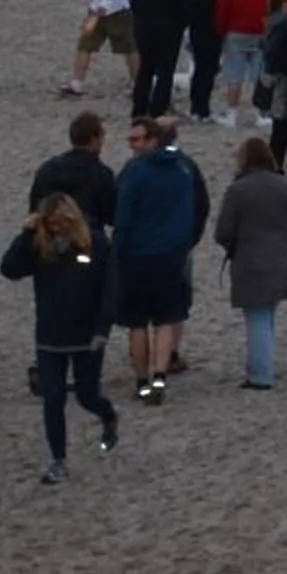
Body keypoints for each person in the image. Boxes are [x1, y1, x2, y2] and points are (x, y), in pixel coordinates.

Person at [1, 193, 119, 483]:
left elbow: (111, 288)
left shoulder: (96, 243)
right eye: (51, 224)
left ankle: (109, 415)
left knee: (86, 395)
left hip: (87, 336)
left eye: (62, 222)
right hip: (50, 337)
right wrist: (26, 234)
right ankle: (58, 460)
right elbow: (9, 269)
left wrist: (103, 330)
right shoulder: (39, 247)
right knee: (52, 399)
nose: (57, 229)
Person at [109, 112, 208, 406]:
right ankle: (160, 375)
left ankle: (142, 381)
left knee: (138, 323)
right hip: (172, 254)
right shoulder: (183, 169)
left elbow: (122, 216)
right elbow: (198, 207)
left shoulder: (135, 172)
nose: (133, 145)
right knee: (166, 320)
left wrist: (119, 250)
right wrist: (186, 241)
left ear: (153, 140)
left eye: (137, 139)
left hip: (138, 255)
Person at [210, 134, 287, 389]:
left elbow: (223, 232)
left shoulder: (238, 190)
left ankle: (261, 374)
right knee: (267, 314)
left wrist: (234, 247)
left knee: (257, 317)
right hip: (281, 258)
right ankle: (264, 365)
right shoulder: (284, 186)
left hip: (250, 262)